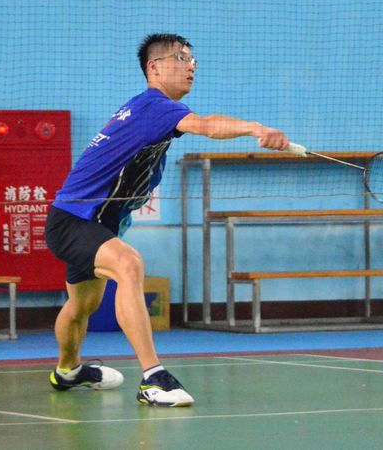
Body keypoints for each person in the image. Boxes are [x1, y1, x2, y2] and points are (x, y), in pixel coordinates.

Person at [45, 33, 289, 407]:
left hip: (90, 222)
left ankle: (67, 371)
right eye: (181, 58)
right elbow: (206, 125)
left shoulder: (148, 112)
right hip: (74, 221)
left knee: (82, 306)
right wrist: (256, 128)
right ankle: (153, 378)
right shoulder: (154, 106)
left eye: (193, 60)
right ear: (154, 67)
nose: (191, 67)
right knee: (129, 264)